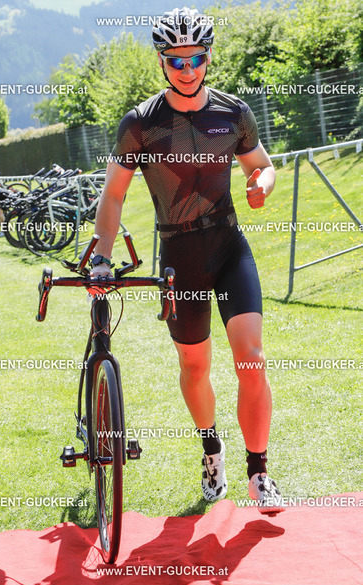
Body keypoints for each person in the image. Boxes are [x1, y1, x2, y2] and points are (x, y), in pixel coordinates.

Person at [90, 7, 284, 513]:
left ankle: (259, 471)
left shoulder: (233, 112)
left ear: (208, 57)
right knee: (195, 367)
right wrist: (103, 257)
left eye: (195, 58)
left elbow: (263, 166)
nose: (187, 69)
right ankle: (211, 450)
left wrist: (261, 184)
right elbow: (113, 194)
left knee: (251, 358)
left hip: (229, 247)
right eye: (176, 60)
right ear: (162, 62)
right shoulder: (141, 123)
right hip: (179, 257)